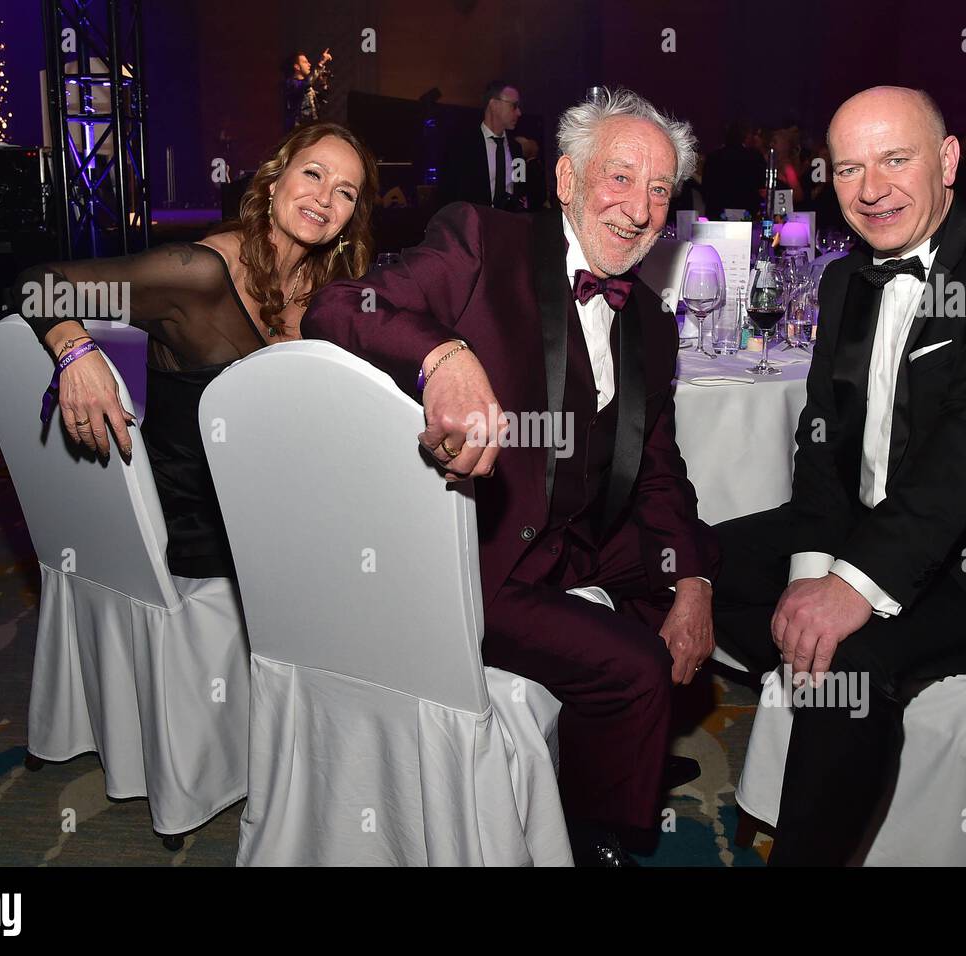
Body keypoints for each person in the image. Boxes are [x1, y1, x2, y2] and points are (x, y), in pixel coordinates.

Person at [304, 89, 719, 865]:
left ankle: (620, 755)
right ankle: (599, 838)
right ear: (566, 180)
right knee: (634, 669)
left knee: (721, 569)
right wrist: (443, 356)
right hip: (479, 553)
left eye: (660, 188)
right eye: (620, 177)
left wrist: (692, 583)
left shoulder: (653, 322)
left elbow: (658, 469)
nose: (639, 208)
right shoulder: (480, 242)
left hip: (582, 534)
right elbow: (337, 306)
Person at [711, 86, 966, 866]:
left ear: (948, 160)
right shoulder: (843, 281)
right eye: (850, 168)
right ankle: (832, 739)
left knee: (847, 665)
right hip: (884, 524)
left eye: (896, 159)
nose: (871, 189)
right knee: (699, 564)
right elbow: (822, 442)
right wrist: (809, 572)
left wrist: (849, 588)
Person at [17, 122, 378, 578]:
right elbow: (39, 286)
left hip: (270, 503)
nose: (325, 198)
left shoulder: (327, 293)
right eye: (313, 174)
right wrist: (76, 353)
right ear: (273, 182)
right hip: (197, 524)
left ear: (350, 219)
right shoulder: (201, 275)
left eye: (346, 192)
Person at [437, 80, 537, 211]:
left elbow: (520, 187)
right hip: (473, 226)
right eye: (514, 106)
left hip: (508, 225)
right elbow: (448, 193)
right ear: (494, 104)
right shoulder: (462, 146)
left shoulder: (516, 149)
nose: (519, 112)